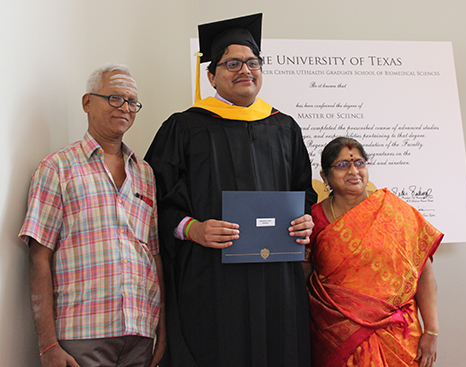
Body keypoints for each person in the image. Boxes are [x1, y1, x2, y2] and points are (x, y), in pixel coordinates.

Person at [145, 13, 316, 367]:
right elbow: (154, 200)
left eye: (253, 62)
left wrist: (305, 222)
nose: (245, 70)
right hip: (212, 278)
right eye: (232, 63)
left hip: (276, 280)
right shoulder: (184, 128)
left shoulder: (285, 128)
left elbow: (304, 194)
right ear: (211, 75)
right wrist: (192, 228)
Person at [19, 63, 166, 367]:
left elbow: (154, 255)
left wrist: (161, 331)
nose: (124, 107)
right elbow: (38, 258)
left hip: (140, 333)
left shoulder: (145, 174)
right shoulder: (58, 168)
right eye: (114, 98)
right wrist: (47, 345)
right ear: (87, 102)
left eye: (131, 101)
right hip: (81, 334)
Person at [303, 136, 443, 367]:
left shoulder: (396, 211)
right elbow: (301, 281)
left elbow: (424, 274)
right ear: (324, 176)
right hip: (338, 337)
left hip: (399, 336)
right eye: (342, 165)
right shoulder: (313, 220)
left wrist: (432, 331)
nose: (353, 171)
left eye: (360, 163)